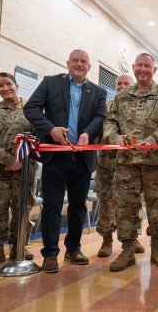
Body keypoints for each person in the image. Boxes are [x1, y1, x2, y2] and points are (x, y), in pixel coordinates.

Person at [24, 49, 107, 273]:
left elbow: (101, 117)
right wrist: (50, 129)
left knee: (78, 206)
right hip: (55, 157)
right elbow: (30, 108)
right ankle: (50, 254)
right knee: (52, 205)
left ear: (89, 67)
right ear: (67, 63)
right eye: (75, 61)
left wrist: (88, 133)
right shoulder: (51, 83)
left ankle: (73, 249)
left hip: (82, 158)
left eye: (84, 62)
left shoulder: (98, 92)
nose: (79, 65)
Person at [103, 53, 158, 272]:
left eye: (148, 66)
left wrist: (153, 140)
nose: (143, 69)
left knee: (157, 207)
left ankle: (157, 248)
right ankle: (127, 251)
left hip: (157, 162)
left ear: (154, 70)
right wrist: (114, 137)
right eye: (140, 66)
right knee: (126, 207)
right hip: (127, 162)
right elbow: (110, 122)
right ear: (134, 68)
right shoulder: (122, 96)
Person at [0, 73, 36, 266]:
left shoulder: (31, 109)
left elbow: (38, 136)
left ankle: (19, 245)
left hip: (25, 167)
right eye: (0, 86)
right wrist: (8, 160)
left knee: (23, 205)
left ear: (16, 85)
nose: (5, 88)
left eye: (8, 84)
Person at [95, 74, 145, 257]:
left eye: (126, 83)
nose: (122, 86)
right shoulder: (105, 107)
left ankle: (133, 237)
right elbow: (97, 130)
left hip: (132, 162)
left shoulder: (140, 108)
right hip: (107, 163)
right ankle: (106, 239)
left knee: (133, 201)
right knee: (105, 201)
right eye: (119, 84)